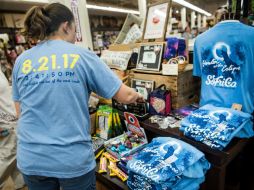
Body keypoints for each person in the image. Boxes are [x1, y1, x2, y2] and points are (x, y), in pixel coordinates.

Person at [12, 3, 143, 190]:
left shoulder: (22, 60)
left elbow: (20, 113)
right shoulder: (82, 55)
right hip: (71, 159)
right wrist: (139, 95)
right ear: (66, 26)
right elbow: (125, 96)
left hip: (32, 158)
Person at [0, 69, 25, 190]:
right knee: (8, 156)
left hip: (12, 120)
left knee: (17, 157)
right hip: (7, 124)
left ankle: (21, 184)